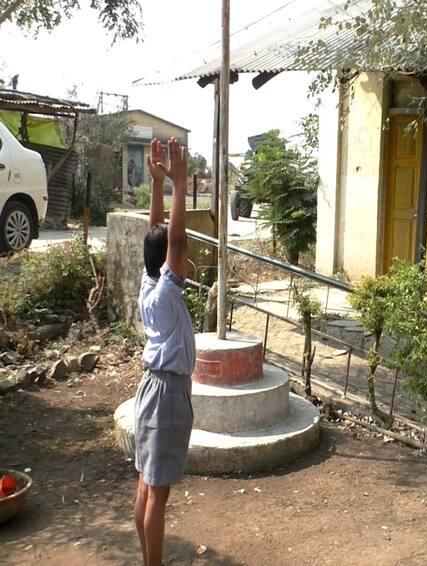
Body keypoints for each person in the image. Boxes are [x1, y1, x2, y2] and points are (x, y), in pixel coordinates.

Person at [133, 137, 196, 565]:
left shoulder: (148, 283)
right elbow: (174, 241)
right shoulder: (166, 295)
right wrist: (179, 184)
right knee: (158, 495)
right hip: (166, 397)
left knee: (146, 487)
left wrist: (157, 185)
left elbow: (158, 239)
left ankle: (146, 559)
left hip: (151, 392)